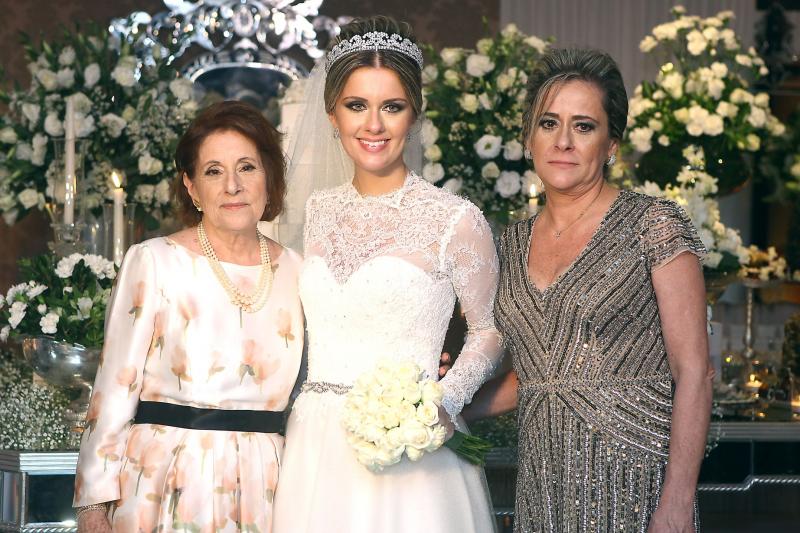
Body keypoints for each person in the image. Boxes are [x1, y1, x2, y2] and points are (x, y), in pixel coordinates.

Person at [464, 48, 713, 533]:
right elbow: (537, 373)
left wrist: (678, 502)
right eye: (549, 123)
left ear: (611, 144)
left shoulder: (653, 224)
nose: (563, 141)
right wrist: (446, 405)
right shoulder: (510, 244)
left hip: (634, 480)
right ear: (528, 137)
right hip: (543, 480)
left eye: (583, 126)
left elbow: (695, 372)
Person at [272, 16, 502, 533]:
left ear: (414, 114)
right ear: (332, 114)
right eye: (357, 105)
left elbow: (489, 331)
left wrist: (444, 403)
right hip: (315, 449)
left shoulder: (455, 220)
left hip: (412, 454)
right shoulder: (317, 211)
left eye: (391, 106)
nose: (373, 125)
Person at [72, 101, 304, 532]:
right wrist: (93, 504)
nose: (232, 185)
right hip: (166, 480)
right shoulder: (154, 261)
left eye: (247, 167)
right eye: (214, 171)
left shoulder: (299, 272)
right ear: (192, 187)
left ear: (270, 179)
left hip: (268, 484)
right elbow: (115, 387)